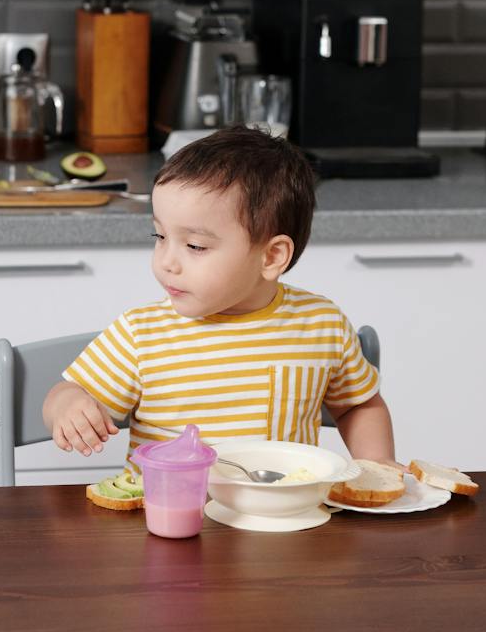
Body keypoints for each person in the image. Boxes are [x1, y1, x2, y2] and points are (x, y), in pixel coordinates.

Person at [42, 126, 399, 469]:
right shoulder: (142, 333)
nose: (167, 262)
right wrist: (68, 405)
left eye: (195, 245)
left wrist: (377, 464)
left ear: (272, 257)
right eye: (160, 236)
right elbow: (68, 391)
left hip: (284, 522)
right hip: (172, 520)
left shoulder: (322, 324)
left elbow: (358, 406)